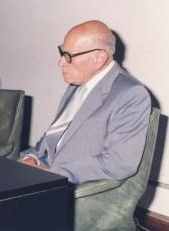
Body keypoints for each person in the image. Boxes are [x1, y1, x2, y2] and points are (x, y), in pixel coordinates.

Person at [20, 20, 151, 184]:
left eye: (68, 56)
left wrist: (52, 173)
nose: (60, 62)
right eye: (62, 53)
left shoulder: (130, 94)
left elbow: (119, 163)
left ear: (99, 58)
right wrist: (32, 157)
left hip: (74, 186)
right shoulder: (78, 83)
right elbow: (55, 136)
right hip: (45, 173)